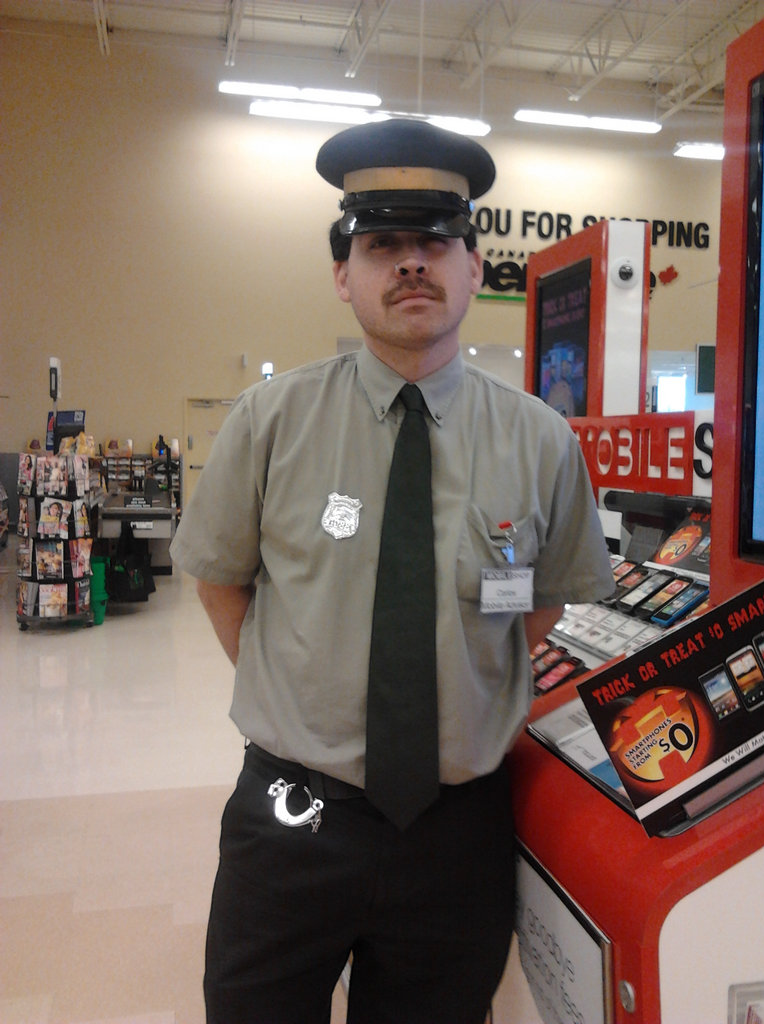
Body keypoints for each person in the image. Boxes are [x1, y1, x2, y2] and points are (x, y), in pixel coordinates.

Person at [170, 118, 615, 1024]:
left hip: (458, 837)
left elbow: (544, 604)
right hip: (291, 819)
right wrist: (306, 694)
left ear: (475, 266)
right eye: (382, 245)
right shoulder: (270, 422)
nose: (412, 262)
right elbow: (221, 584)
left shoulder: (541, 441)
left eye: (436, 241)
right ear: (343, 274)